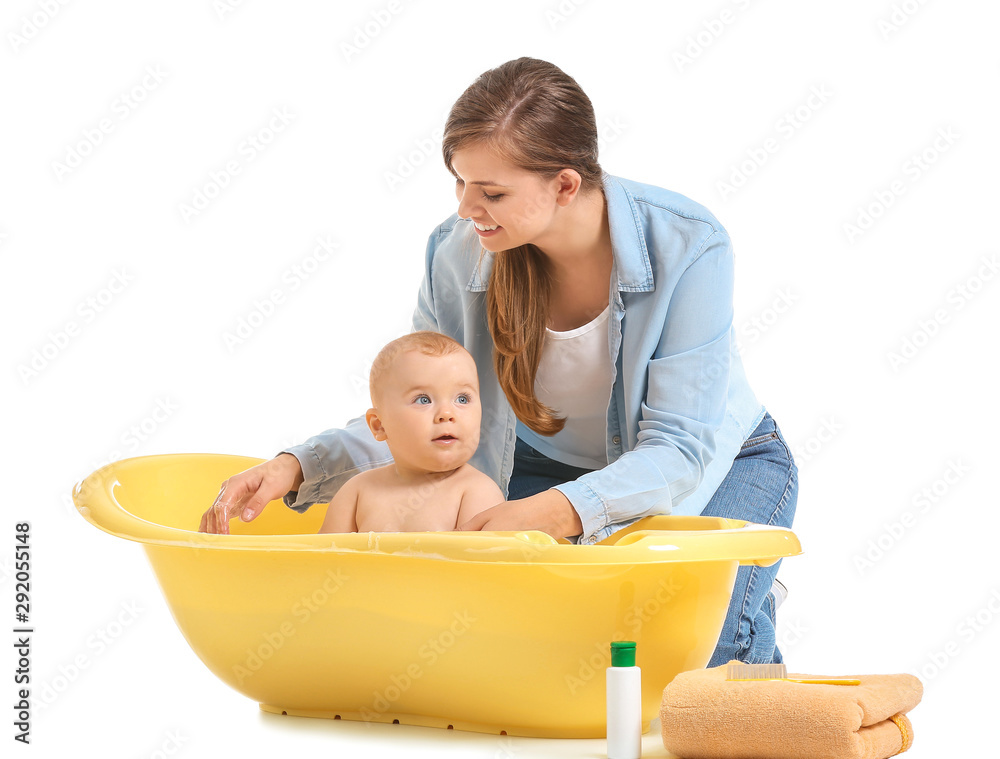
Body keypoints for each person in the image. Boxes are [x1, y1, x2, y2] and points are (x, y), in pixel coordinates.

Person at [199, 57, 798, 667]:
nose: (466, 208)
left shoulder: (689, 244)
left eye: (491, 192)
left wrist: (551, 516)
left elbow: (677, 448)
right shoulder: (457, 253)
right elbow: (421, 408)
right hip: (536, 466)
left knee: (692, 649)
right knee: (547, 651)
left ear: (565, 185)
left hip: (718, 466)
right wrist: (297, 466)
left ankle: (750, 606)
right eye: (459, 183)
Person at [317, 331, 504, 533]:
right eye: (423, 400)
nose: (447, 414)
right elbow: (321, 561)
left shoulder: (477, 493)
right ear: (379, 426)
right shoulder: (356, 492)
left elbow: (480, 564)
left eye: (462, 399)